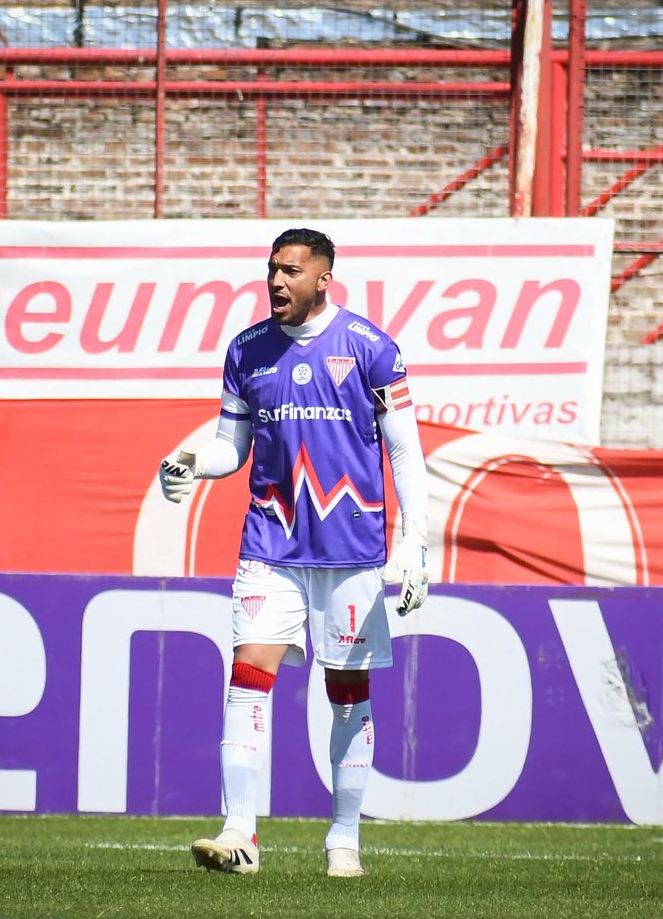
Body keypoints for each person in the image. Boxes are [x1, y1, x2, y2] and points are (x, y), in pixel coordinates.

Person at [157, 227, 429, 878]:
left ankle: (344, 839)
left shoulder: (373, 350)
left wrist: (415, 542)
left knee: (346, 694)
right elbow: (232, 446)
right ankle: (239, 834)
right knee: (248, 677)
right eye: (272, 269)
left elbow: (403, 451)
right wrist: (194, 460)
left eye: (291, 272)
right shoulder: (246, 351)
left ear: (323, 279)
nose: (277, 282)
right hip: (270, 546)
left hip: (351, 553)